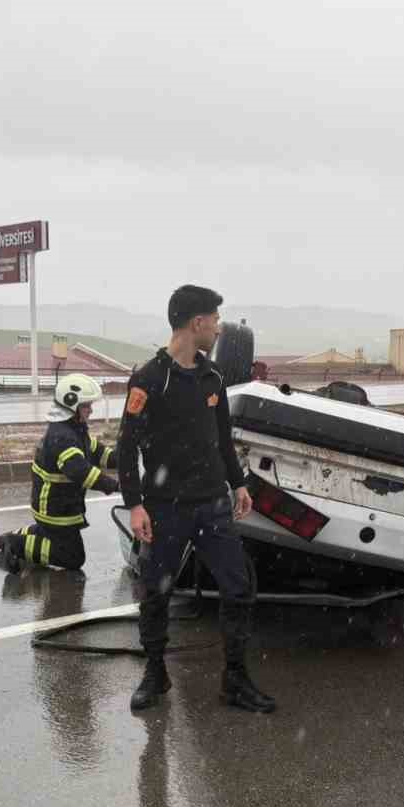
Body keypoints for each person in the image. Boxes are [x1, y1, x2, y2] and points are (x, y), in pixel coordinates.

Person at [115, 285, 276, 715]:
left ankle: (235, 680)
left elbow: (222, 437)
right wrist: (135, 504)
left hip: (212, 504)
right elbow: (126, 447)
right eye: (216, 319)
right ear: (197, 322)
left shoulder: (213, 377)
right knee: (155, 592)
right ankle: (155, 674)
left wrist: (238, 483)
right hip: (165, 507)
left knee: (238, 588)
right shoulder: (150, 378)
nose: (220, 328)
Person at [0, 373, 119, 573]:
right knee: (73, 557)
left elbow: (97, 452)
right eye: (87, 406)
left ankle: (9, 538)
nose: (91, 410)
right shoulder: (63, 436)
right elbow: (80, 471)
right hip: (55, 509)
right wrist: (115, 485)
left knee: (48, 535)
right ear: (72, 404)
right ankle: (16, 544)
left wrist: (123, 460)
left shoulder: (74, 430)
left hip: (58, 506)